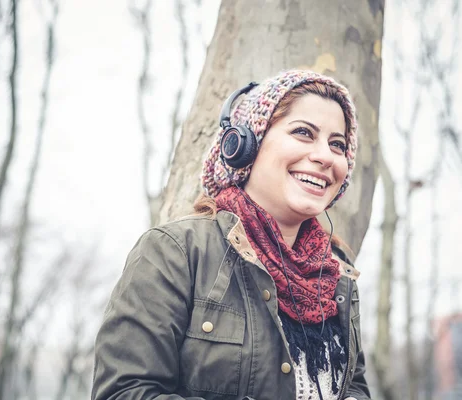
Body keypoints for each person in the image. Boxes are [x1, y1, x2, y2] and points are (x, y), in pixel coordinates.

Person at [92, 69, 371, 400]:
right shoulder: (175, 253)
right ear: (245, 146)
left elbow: (354, 385)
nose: (325, 156)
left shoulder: (338, 272)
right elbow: (122, 392)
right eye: (303, 133)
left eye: (337, 144)